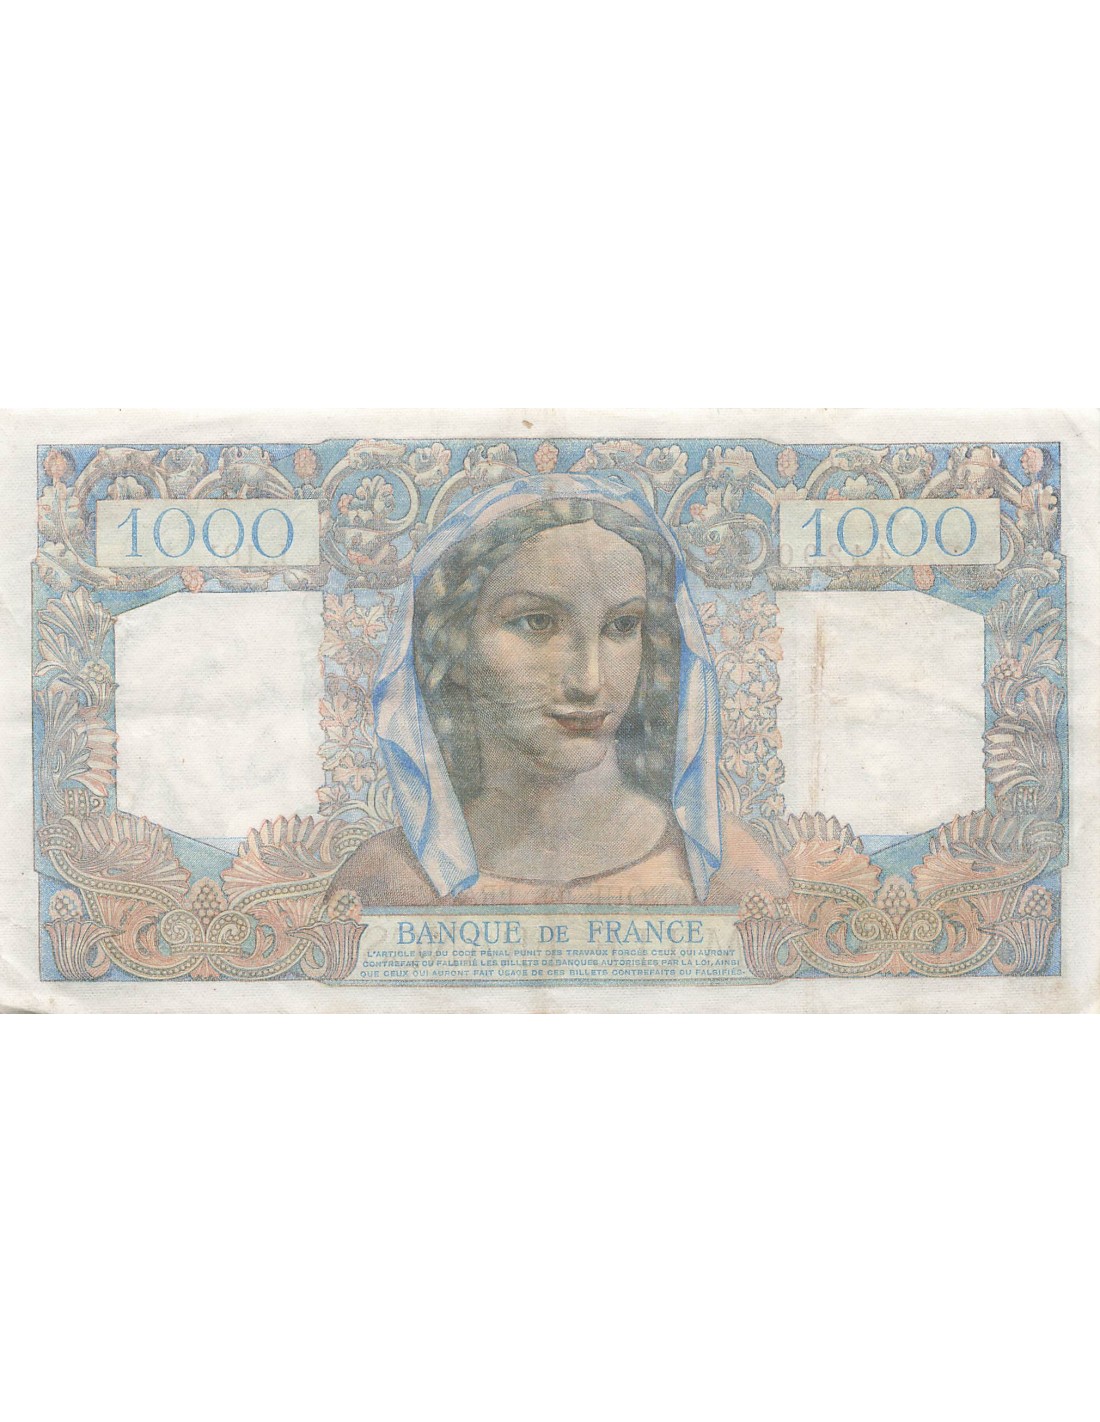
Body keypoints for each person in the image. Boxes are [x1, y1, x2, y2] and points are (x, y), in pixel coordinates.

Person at [328, 471, 789, 907]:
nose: (589, 681)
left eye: (622, 625)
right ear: (454, 642)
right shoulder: (387, 882)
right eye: (537, 622)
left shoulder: (736, 877)